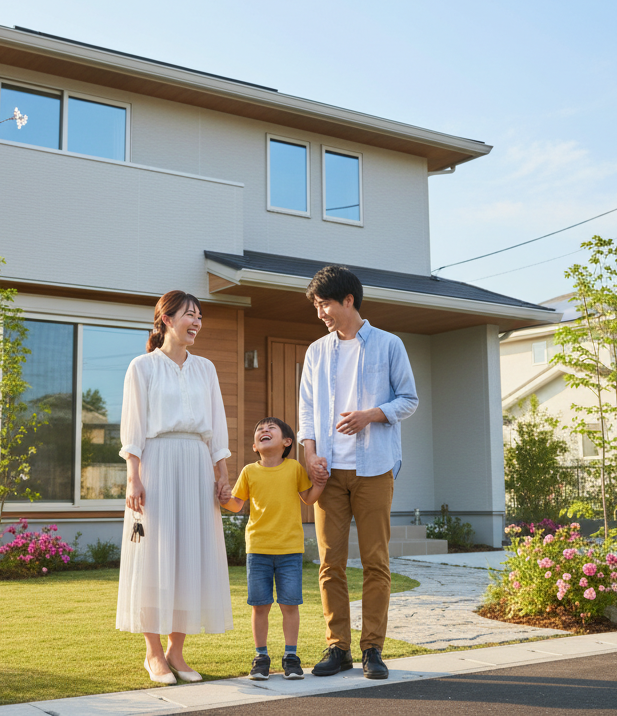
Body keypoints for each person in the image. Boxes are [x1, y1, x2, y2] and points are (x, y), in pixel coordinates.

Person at [297, 265, 418, 680]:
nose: (321, 313)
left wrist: (372, 414)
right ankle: (338, 647)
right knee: (329, 563)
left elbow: (409, 399)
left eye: (325, 303)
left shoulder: (389, 345)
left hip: (374, 469)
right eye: (316, 306)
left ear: (348, 299)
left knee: (375, 562)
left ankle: (373, 649)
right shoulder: (316, 351)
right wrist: (309, 454)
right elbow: (307, 412)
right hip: (328, 474)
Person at [116, 290, 234, 684]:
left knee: (191, 556)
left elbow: (216, 427)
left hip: (196, 465)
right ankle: (153, 654)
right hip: (158, 462)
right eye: (189, 314)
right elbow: (133, 428)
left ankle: (177, 652)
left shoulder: (206, 369)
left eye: (200, 315)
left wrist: (222, 473)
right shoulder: (142, 367)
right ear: (166, 319)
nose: (197, 321)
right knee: (155, 554)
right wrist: (133, 477)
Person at [221, 417, 327, 681]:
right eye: (259, 430)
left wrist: (321, 484)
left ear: (287, 442)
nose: (264, 431)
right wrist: (222, 498)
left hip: (290, 551)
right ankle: (261, 657)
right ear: (256, 446)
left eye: (271, 428)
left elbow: (308, 498)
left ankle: (291, 656)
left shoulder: (294, 468)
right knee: (260, 605)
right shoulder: (248, 471)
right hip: (258, 550)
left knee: (289, 605)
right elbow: (236, 505)